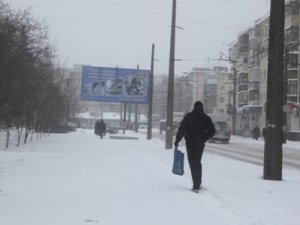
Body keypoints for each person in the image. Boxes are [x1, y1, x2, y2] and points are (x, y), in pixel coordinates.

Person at [174, 101, 216, 193]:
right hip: (199, 144)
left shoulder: (188, 117)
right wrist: (204, 138)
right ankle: (197, 183)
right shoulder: (205, 118)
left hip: (190, 143)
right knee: (197, 162)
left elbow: (181, 129)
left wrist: (177, 140)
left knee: (192, 163)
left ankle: (196, 184)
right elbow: (212, 131)